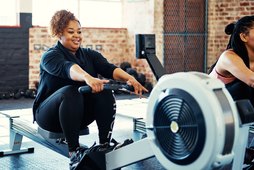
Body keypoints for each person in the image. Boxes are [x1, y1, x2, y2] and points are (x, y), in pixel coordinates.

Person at [32, 9, 148, 170]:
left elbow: (109, 68)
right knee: (71, 91)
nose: (77, 35)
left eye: (79, 31)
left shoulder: (89, 55)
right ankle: (74, 154)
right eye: (71, 31)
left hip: (76, 115)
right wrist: (88, 77)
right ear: (59, 33)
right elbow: (69, 68)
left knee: (105, 90)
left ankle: (104, 145)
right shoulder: (50, 56)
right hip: (48, 116)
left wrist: (130, 78)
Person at [209, 15, 254, 105]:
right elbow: (252, 80)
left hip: (234, 109)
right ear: (244, 37)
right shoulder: (228, 57)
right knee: (243, 87)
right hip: (210, 107)